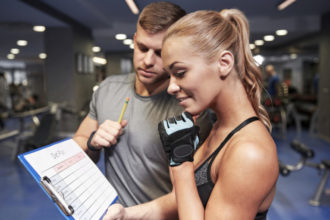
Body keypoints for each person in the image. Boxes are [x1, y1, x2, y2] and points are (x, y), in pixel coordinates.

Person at [103, 8, 278, 220]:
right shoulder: (221, 129)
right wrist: (125, 214)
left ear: (224, 63)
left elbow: (187, 189)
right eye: (170, 76)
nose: (171, 87)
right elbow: (183, 200)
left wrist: (181, 168)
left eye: (180, 73)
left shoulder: (250, 152)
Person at [73, 2, 212, 207]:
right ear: (135, 40)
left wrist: (131, 215)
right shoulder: (108, 88)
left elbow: (192, 196)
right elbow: (79, 143)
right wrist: (93, 143)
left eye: (159, 53)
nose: (147, 61)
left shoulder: (191, 109)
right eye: (142, 48)